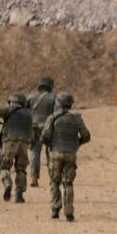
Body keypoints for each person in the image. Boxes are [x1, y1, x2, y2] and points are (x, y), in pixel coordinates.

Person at [41, 92, 91, 222]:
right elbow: (86, 136)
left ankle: (55, 209)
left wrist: (50, 145)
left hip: (55, 153)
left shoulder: (52, 118)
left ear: (58, 104)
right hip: (71, 154)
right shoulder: (77, 119)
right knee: (68, 183)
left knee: (54, 181)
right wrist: (76, 144)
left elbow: (45, 136)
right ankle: (69, 213)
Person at [0, 93, 34, 203]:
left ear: (11, 102)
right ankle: (19, 194)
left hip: (9, 142)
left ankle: (7, 183)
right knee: (21, 169)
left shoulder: (9, 110)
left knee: (4, 167)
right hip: (24, 143)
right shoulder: (29, 114)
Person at [26, 77, 56, 188]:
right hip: (48, 129)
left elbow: (25, 112)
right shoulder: (53, 98)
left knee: (34, 153)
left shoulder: (30, 97)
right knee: (50, 153)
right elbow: (56, 114)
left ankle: (33, 177)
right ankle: (53, 178)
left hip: (34, 129)